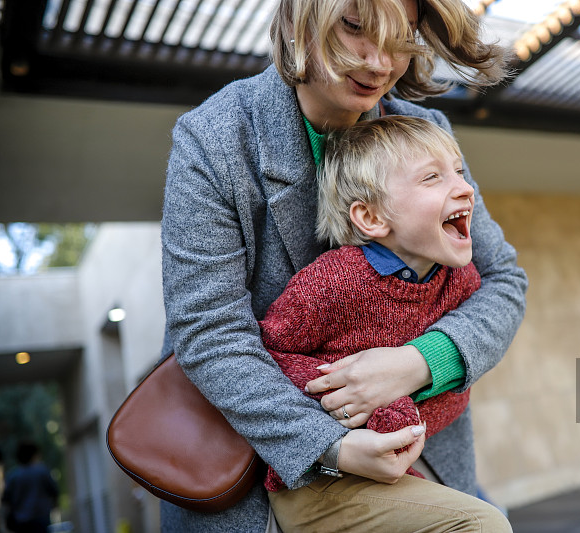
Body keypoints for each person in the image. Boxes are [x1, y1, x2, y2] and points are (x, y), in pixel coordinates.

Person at [160, 0, 528, 530]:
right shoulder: (214, 139)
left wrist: (421, 362)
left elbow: (504, 281)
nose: (380, 62)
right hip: (263, 469)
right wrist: (330, 445)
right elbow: (209, 332)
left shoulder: (424, 129)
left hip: (419, 457)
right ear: (296, 18)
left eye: (400, 36)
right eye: (354, 27)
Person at [259, 116, 511, 531]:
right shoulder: (334, 282)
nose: (465, 188)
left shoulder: (462, 279)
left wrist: (419, 371)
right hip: (319, 479)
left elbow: (504, 290)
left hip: (400, 473)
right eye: (432, 177)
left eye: (459, 172)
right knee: (483, 526)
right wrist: (346, 394)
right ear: (372, 219)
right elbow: (271, 351)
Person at [0, 442, 58, 533]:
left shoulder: (13, 476)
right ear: (34, 455)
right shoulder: (42, 471)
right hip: (41, 519)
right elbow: (54, 492)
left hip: (21, 521)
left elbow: (6, 501)